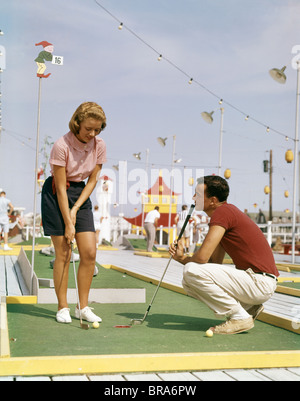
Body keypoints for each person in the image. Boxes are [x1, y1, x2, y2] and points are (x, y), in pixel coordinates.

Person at [169, 176, 279, 335]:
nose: (194, 198)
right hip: (258, 281)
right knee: (188, 282)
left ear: (212, 200)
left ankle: (240, 317)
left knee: (190, 270)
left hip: (259, 282)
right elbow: (214, 262)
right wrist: (184, 259)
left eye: (198, 195)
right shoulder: (225, 212)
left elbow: (202, 259)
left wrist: (182, 259)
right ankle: (248, 308)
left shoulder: (223, 213)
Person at [41, 102, 107, 324]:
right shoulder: (61, 145)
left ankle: (83, 307)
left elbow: (93, 180)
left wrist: (77, 208)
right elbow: (60, 188)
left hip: (81, 195)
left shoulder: (99, 145)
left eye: (97, 129)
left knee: (89, 252)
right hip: (57, 193)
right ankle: (62, 307)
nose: (92, 134)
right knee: (64, 253)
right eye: (89, 128)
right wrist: (68, 222)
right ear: (77, 123)